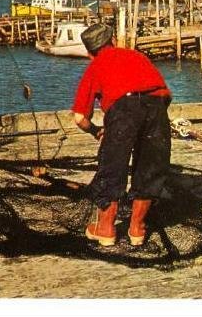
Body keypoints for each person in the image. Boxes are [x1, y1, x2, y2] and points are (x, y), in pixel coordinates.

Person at [72, 23, 172, 247]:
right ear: (114, 41)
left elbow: (80, 117)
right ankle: (137, 229)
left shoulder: (95, 65)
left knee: (112, 167)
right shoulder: (137, 56)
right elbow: (166, 94)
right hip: (156, 106)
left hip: (123, 109)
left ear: (89, 53)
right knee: (150, 167)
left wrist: (97, 131)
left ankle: (106, 230)